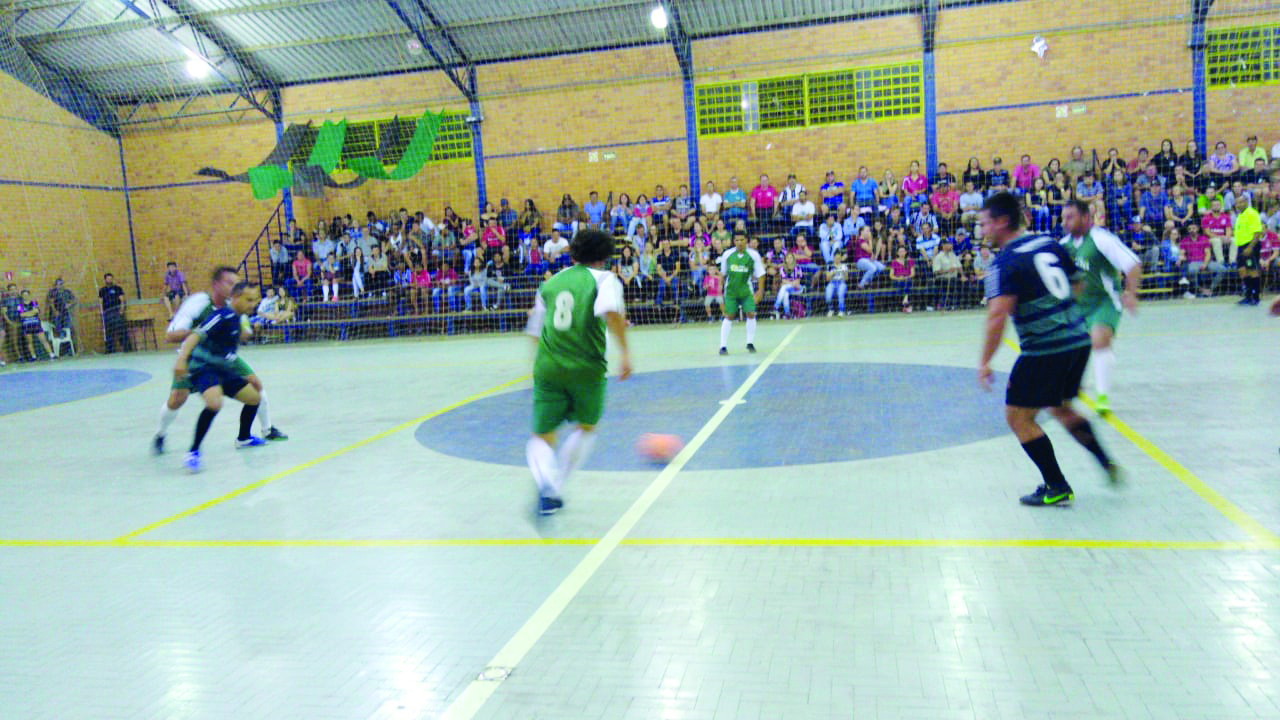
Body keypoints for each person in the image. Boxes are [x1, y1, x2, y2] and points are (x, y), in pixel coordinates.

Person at [977, 192, 1120, 507]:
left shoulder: (1003, 262)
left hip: (1044, 349)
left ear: (1002, 222)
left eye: (985, 223)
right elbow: (1078, 285)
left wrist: (984, 361)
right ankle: (1104, 460)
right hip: (1077, 341)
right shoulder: (1050, 243)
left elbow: (998, 315)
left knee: (1018, 417)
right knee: (1060, 407)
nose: (982, 230)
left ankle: (1056, 485)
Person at [524, 229, 631, 516]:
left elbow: (535, 329)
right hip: (586, 366)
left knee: (541, 435)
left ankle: (546, 484)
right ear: (605, 256)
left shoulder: (551, 283)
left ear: (573, 254)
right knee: (586, 427)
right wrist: (625, 354)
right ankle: (557, 485)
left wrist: (540, 366)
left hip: (548, 366)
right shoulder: (605, 279)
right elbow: (610, 313)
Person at [154, 266, 287, 455]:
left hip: (224, 357)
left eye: (236, 284)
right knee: (177, 398)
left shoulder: (235, 308)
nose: (235, 287)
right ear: (216, 285)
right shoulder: (199, 303)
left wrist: (246, 331)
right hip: (196, 357)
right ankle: (160, 434)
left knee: (255, 384)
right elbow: (170, 336)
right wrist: (207, 331)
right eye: (230, 283)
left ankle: (265, 430)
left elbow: (243, 333)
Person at [1058, 200, 1141, 414]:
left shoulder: (1101, 239)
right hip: (1077, 306)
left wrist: (1131, 293)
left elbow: (1133, 264)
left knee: (1099, 339)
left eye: (1070, 217)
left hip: (1104, 302)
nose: (1065, 222)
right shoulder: (1063, 245)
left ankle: (1102, 397)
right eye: (1063, 217)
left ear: (1085, 218)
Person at [173, 282, 266, 473]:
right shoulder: (222, 316)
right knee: (214, 404)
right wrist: (181, 360)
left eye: (255, 300)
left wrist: (245, 373)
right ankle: (193, 452)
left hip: (224, 369)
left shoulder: (237, 318)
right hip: (204, 368)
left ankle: (244, 438)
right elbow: (194, 336)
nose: (253, 304)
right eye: (249, 300)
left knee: (254, 398)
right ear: (236, 297)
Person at [717, 233, 765, 355]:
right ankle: (723, 346)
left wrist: (760, 291)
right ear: (733, 241)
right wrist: (719, 292)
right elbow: (722, 274)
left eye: (742, 240)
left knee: (751, 313)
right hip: (731, 291)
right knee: (729, 316)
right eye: (737, 240)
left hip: (746, 291)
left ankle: (750, 343)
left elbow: (761, 274)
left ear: (746, 241)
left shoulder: (753, 255)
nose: (739, 242)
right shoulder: (727, 255)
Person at [1232, 193, 1266, 306]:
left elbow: (1257, 232)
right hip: (1241, 246)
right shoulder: (1240, 215)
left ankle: (1255, 297)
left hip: (1250, 245)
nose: (1238, 204)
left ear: (1246, 202)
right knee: (1242, 270)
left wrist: (1250, 247)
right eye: (1237, 203)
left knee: (1252, 270)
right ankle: (1248, 295)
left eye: (1241, 202)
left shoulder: (1252, 213)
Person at [97, 273, 128, 353]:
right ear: (105, 280)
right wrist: (101, 312)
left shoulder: (117, 288)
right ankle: (109, 350)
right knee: (109, 332)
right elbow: (100, 302)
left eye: (111, 278)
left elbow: (122, 300)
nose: (110, 280)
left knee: (121, 330)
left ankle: (126, 348)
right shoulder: (102, 290)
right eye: (108, 279)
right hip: (107, 313)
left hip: (116, 311)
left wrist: (122, 310)